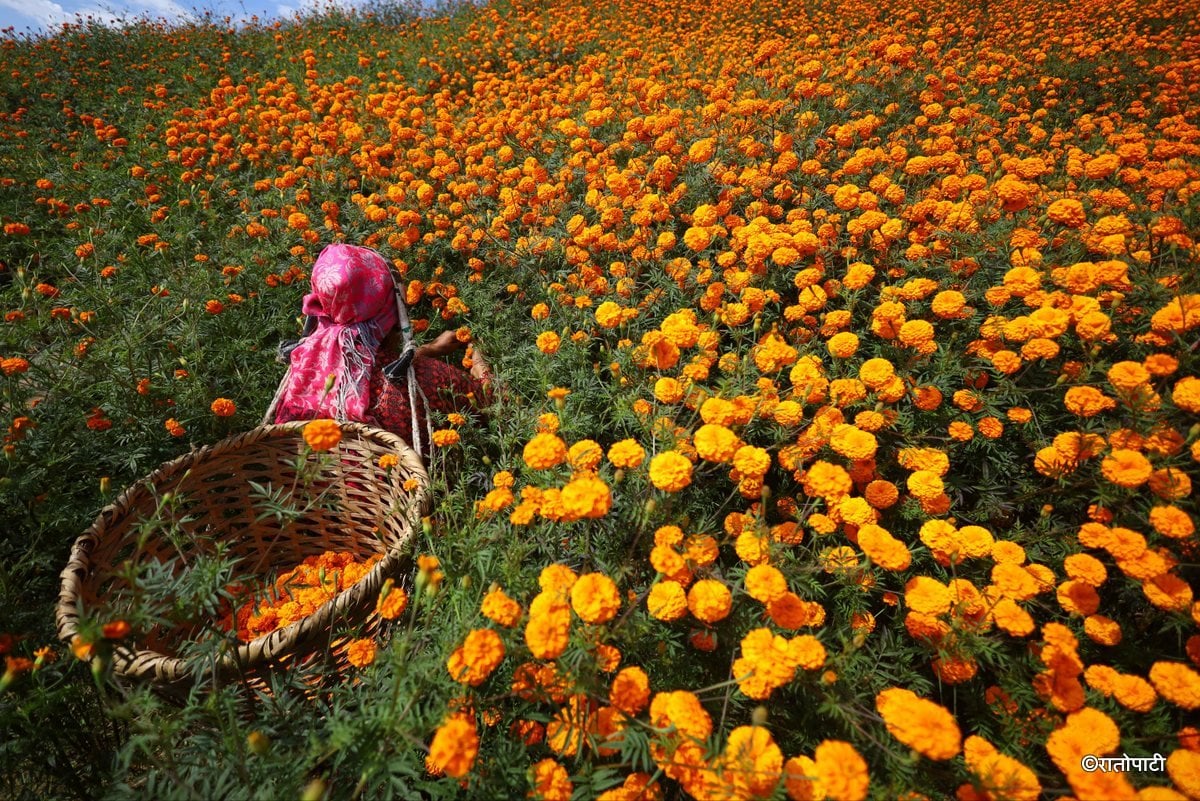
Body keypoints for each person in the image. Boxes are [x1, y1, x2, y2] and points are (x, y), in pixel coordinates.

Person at [270, 243, 491, 458]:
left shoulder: (303, 369)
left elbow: (357, 368)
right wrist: (479, 358)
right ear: (392, 309)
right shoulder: (427, 381)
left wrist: (427, 350)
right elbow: (494, 405)